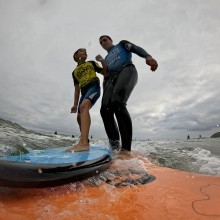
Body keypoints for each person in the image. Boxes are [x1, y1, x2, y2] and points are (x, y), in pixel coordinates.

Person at [98, 35, 158, 151]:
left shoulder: (121, 44)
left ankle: (126, 150)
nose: (103, 42)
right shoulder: (106, 58)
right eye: (101, 42)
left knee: (117, 102)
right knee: (104, 110)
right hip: (111, 80)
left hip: (127, 70)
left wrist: (148, 56)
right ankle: (114, 147)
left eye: (105, 40)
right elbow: (106, 75)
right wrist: (105, 87)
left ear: (111, 40)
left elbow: (134, 48)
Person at [66, 48, 108, 152]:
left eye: (85, 51)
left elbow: (105, 73)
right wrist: (75, 105)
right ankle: (85, 140)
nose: (85, 52)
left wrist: (102, 61)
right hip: (83, 92)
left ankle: (83, 143)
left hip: (93, 87)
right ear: (76, 56)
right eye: (82, 51)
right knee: (79, 116)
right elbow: (77, 90)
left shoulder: (91, 63)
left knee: (84, 106)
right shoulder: (74, 72)